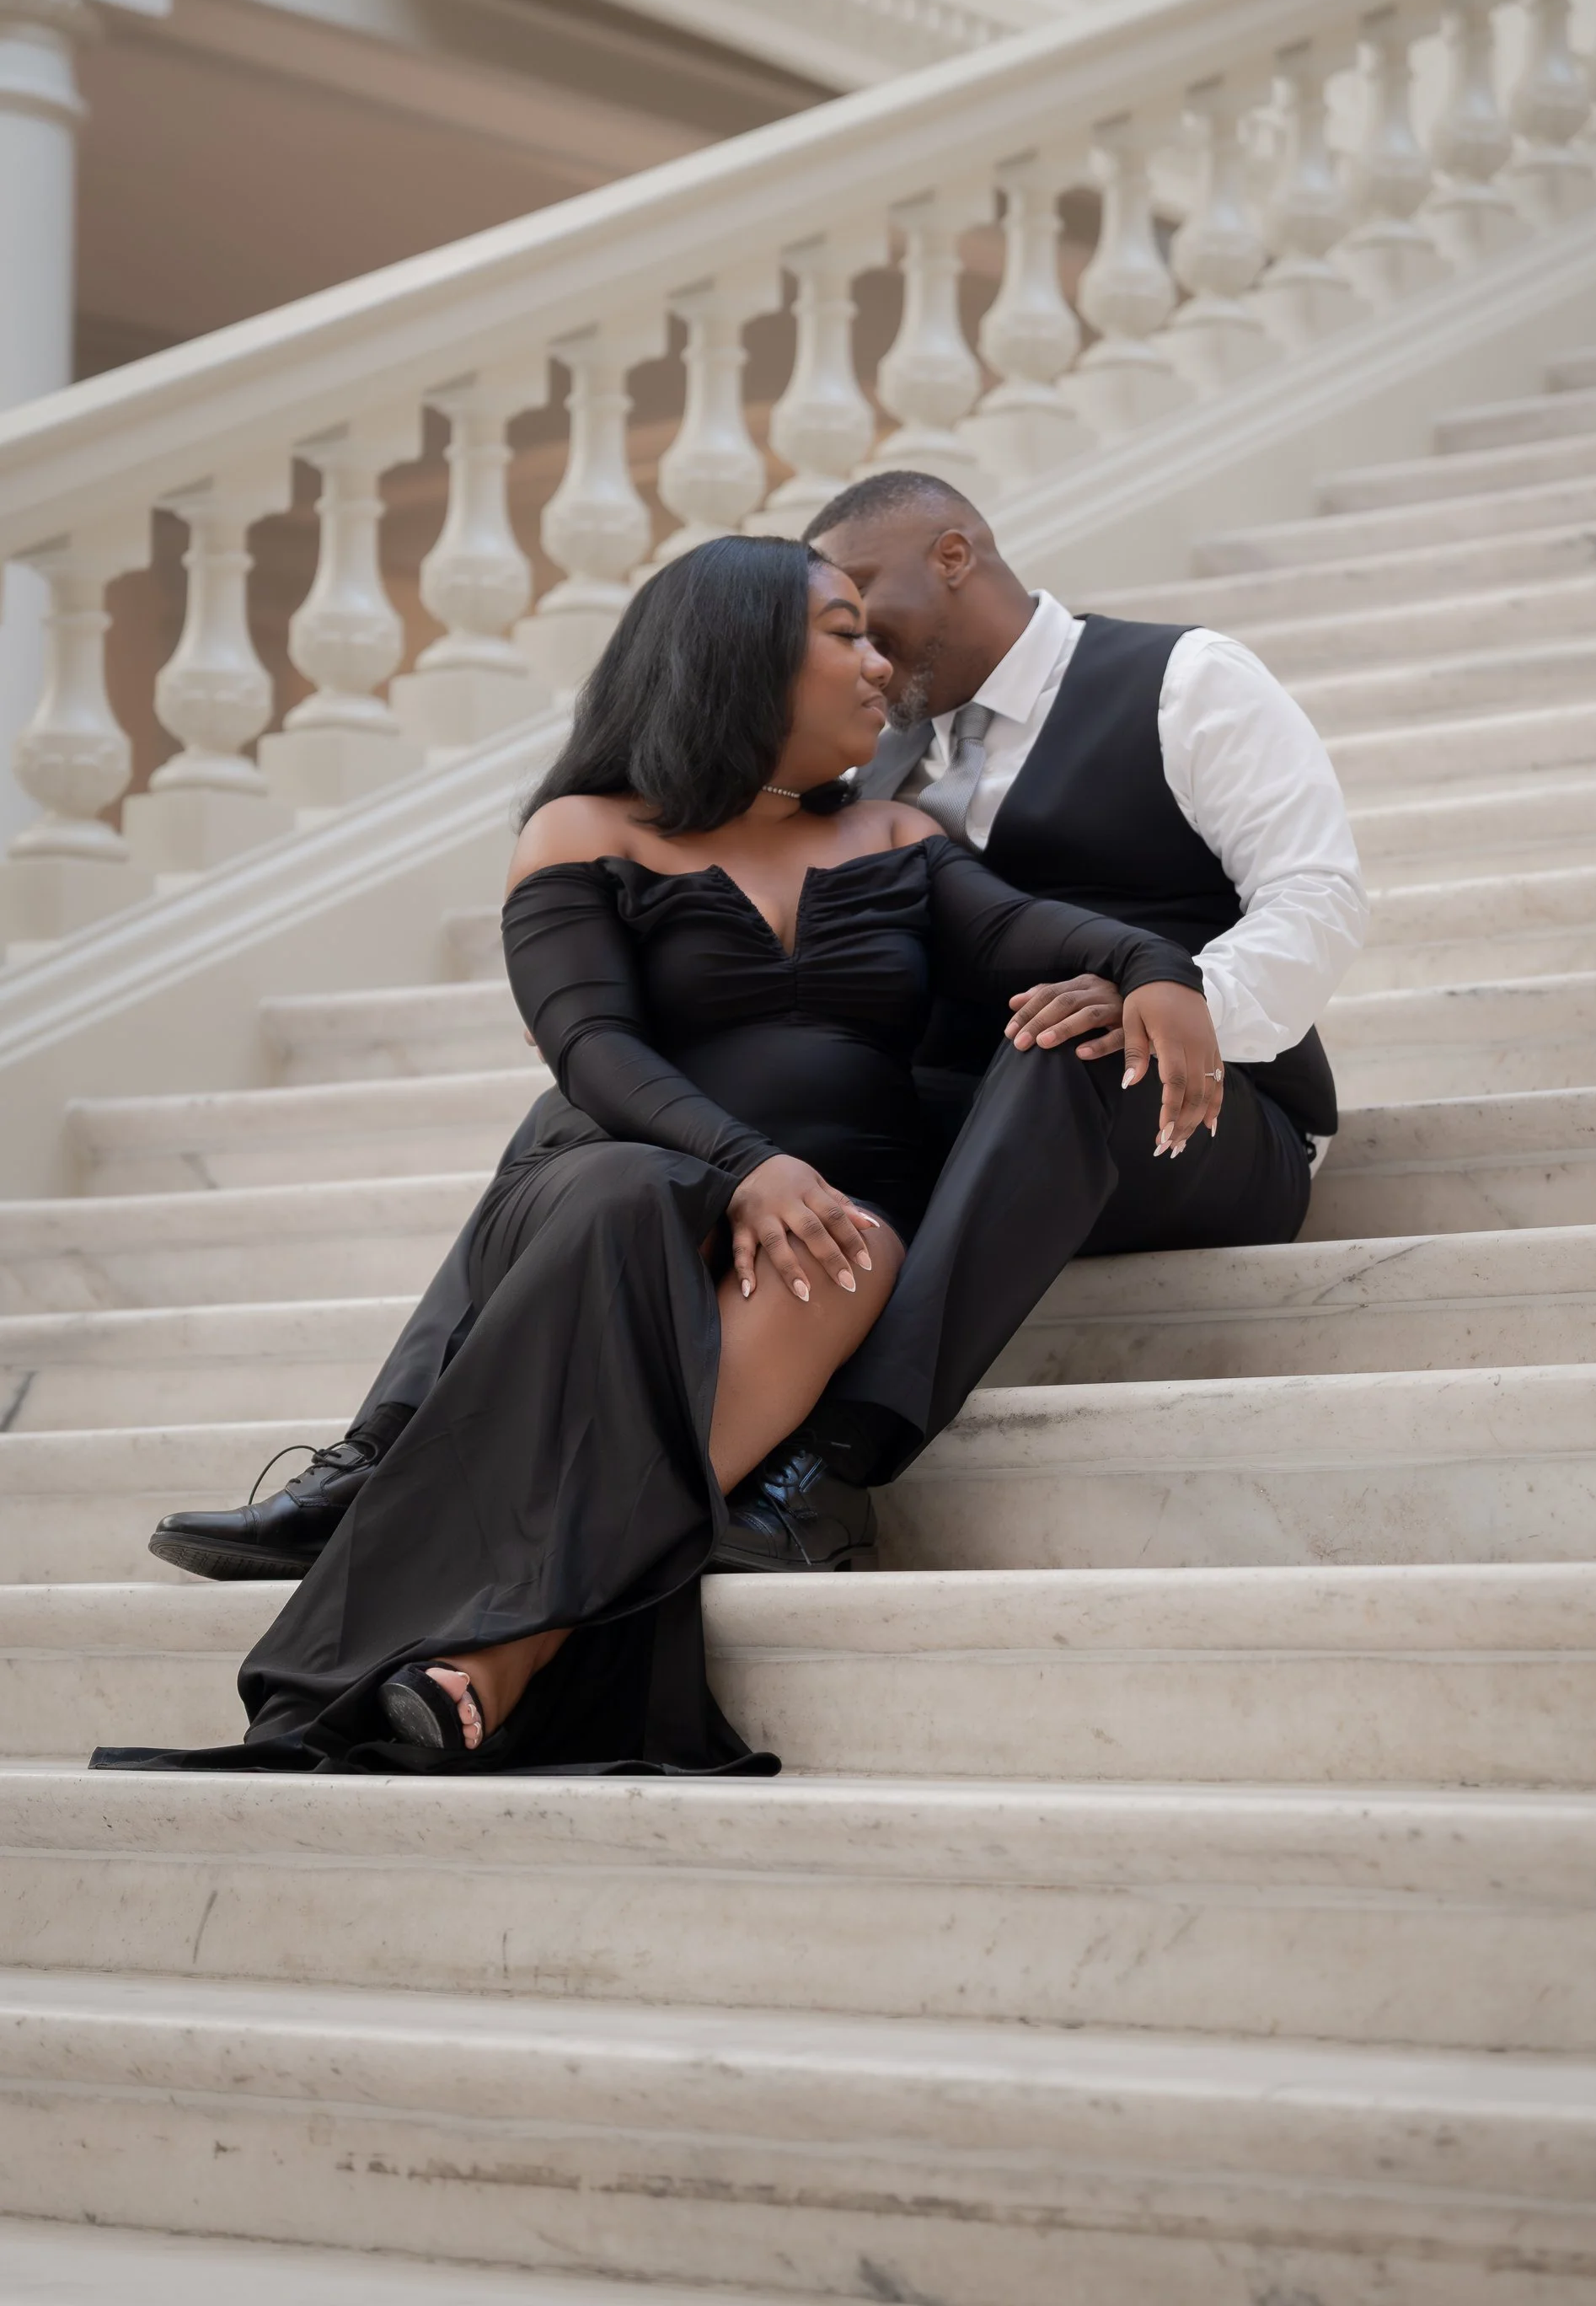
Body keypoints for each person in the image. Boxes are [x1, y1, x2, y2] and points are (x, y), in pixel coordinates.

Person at [99, 536, 1218, 1774]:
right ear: (738, 654)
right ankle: (447, 1566)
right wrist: (744, 1165)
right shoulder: (584, 831)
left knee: (844, 1249)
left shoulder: (897, 833)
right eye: (844, 633)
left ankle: (498, 1655)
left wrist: (1156, 970)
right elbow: (590, 1048)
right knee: (627, 1188)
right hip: (634, 1178)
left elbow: (1040, 935)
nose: (881, 666)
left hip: (830, 1212)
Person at [148, 471, 1366, 1589]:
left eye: (864, 604)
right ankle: (377, 1453)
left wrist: (1172, 994)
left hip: (1194, 1109)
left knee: (1064, 1044)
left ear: (952, 555)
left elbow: (1316, 900)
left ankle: (827, 1463)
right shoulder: (869, 761)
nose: (864, 648)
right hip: (972, 1125)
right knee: (588, 1102)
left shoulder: (1184, 678)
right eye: (839, 629)